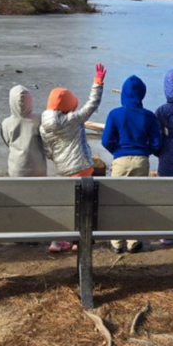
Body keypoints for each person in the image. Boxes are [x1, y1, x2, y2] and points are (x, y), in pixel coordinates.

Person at [41, 64, 106, 252]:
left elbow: (48, 151)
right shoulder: (73, 120)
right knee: (84, 205)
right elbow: (92, 104)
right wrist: (98, 82)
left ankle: (56, 241)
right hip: (82, 169)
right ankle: (78, 242)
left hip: (62, 170)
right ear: (68, 106)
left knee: (65, 205)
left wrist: (59, 161)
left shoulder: (43, 126)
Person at [102, 75, 162, 254]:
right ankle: (133, 241)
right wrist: (146, 150)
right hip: (142, 161)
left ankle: (116, 242)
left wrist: (116, 151)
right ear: (142, 94)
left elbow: (106, 140)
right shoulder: (149, 116)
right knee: (137, 201)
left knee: (117, 200)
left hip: (120, 161)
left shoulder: (115, 114)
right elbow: (157, 143)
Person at [1, 85, 47, 177]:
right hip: (38, 168)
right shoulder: (40, 118)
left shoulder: (6, 123)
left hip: (17, 168)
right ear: (30, 101)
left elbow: (7, 142)